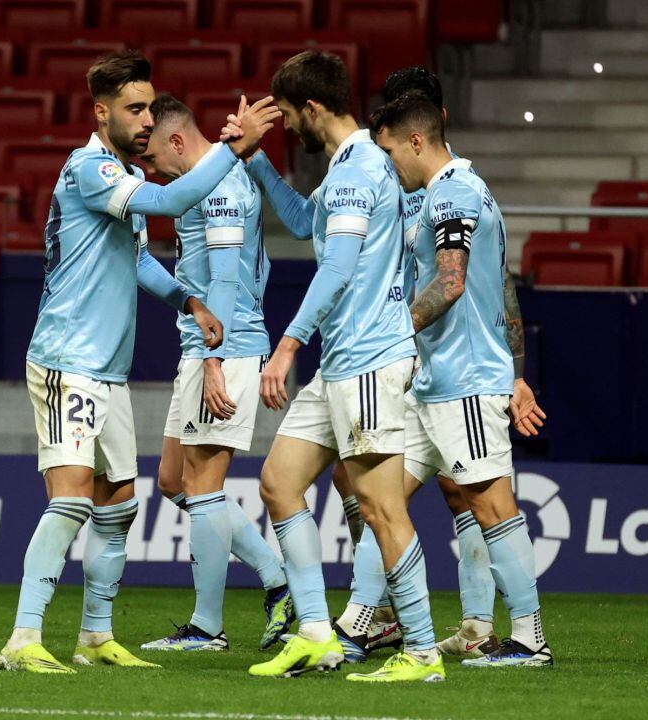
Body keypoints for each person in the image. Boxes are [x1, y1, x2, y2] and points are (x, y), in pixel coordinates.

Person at [0, 50, 281, 674]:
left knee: (119, 503)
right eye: (134, 108)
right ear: (102, 112)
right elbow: (174, 199)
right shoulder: (90, 169)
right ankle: (23, 638)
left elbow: (139, 260)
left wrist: (189, 299)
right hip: (67, 358)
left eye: (151, 106)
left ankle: (95, 636)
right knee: (70, 500)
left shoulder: (116, 172)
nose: (147, 119)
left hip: (107, 368)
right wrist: (235, 151)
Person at [239, 51, 444, 683]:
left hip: (368, 364)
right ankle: (314, 633)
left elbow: (337, 266)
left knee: (381, 509)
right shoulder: (347, 166)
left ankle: (423, 651)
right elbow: (305, 222)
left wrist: (288, 343)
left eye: (291, 115)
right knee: (278, 483)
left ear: (314, 108)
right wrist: (256, 161)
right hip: (343, 366)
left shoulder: (357, 170)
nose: (289, 128)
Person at [337, 65, 547, 662]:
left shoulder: (455, 191)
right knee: (381, 499)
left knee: (490, 504)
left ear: (415, 141)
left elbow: (451, 283)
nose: (389, 166)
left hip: (464, 381)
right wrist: (519, 369)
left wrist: (390, 333)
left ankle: (529, 639)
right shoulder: (445, 193)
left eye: (390, 152)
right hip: (431, 381)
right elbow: (500, 288)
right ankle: (358, 623)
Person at [137, 94, 294, 652]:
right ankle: (279, 579)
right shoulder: (200, 187)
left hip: (227, 348)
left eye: (156, 158)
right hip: (201, 347)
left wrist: (213, 362)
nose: (154, 173)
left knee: (203, 487)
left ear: (178, 141)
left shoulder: (221, 187)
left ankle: (207, 628)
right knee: (173, 481)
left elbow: (226, 279)